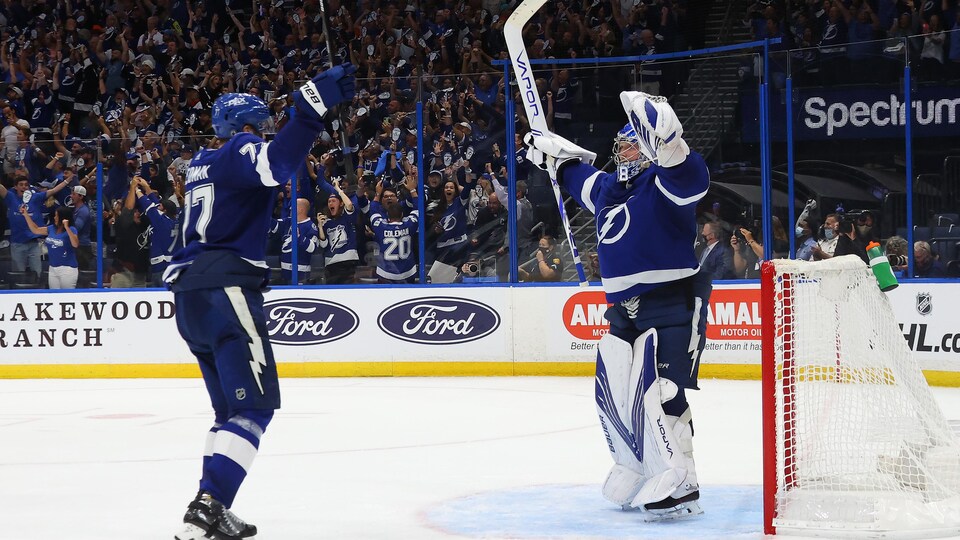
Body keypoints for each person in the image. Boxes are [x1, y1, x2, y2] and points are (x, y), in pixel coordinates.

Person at [163, 64, 356, 540]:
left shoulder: (199, 164)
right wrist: (308, 114)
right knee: (254, 410)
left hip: (190, 295)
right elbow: (276, 165)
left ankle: (213, 502)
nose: (262, 134)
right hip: (226, 290)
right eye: (258, 127)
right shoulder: (238, 149)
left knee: (228, 413)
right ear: (243, 127)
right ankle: (208, 506)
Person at [525, 91, 710, 520]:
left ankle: (683, 479)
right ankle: (636, 466)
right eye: (621, 145)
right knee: (617, 392)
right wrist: (555, 156)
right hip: (621, 307)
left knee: (661, 393)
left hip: (670, 300)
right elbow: (578, 178)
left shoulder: (665, 183)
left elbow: (690, 177)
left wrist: (672, 143)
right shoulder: (610, 188)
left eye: (631, 143)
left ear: (649, 147)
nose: (623, 151)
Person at [20, 205, 80, 289]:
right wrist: (26, 214)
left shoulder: (72, 229)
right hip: (53, 268)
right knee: (54, 296)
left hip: (67, 269)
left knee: (66, 296)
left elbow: (75, 244)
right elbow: (35, 229)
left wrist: (66, 227)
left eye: (57, 216)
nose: (55, 218)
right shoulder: (51, 228)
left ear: (63, 217)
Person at [318, 178, 359, 285]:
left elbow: (349, 205)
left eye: (334, 201)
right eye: (329, 201)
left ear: (341, 204)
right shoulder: (326, 223)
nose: (330, 203)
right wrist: (320, 227)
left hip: (348, 262)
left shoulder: (347, 218)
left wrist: (338, 189)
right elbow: (323, 244)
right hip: (331, 264)